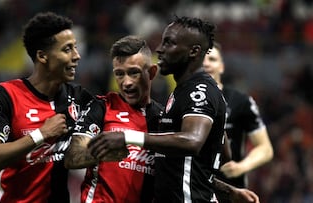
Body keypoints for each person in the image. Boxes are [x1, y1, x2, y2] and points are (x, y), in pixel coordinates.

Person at [87, 16, 260, 203]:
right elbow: (220, 151)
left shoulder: (199, 90)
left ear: (193, 51)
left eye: (169, 43)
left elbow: (192, 141)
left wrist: (126, 137)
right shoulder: (182, 93)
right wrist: (226, 189)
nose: (160, 49)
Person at [0, 12, 93, 202]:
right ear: (42, 56)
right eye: (67, 49)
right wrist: (41, 134)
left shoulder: (79, 98)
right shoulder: (5, 95)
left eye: (76, 48)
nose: (77, 56)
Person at [64, 35, 162, 203]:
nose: (126, 82)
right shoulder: (101, 107)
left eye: (133, 73)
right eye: (119, 74)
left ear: (152, 72)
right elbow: (73, 156)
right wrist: (109, 152)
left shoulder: (163, 118)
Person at [203, 42, 273, 198]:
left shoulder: (241, 102)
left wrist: (241, 167)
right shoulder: (182, 99)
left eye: (212, 59)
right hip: (195, 188)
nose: (206, 63)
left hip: (232, 191)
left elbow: (265, 148)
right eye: (202, 59)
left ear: (221, 66)